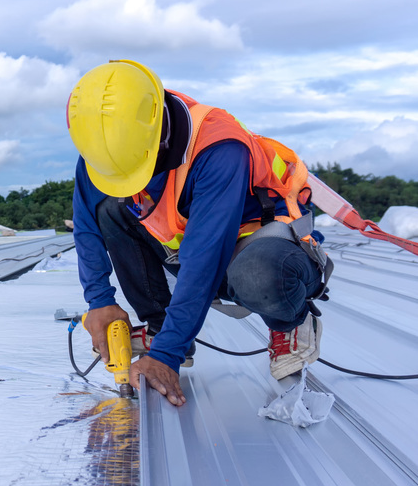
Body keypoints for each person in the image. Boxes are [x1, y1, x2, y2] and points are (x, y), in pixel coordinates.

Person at [68, 60, 330, 407]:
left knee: (257, 275)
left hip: (267, 250)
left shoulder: (220, 149)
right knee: (113, 210)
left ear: (158, 133)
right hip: (200, 247)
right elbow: (87, 221)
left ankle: (290, 323)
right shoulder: (106, 142)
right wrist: (99, 301)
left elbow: (202, 261)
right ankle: (163, 326)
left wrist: (165, 356)